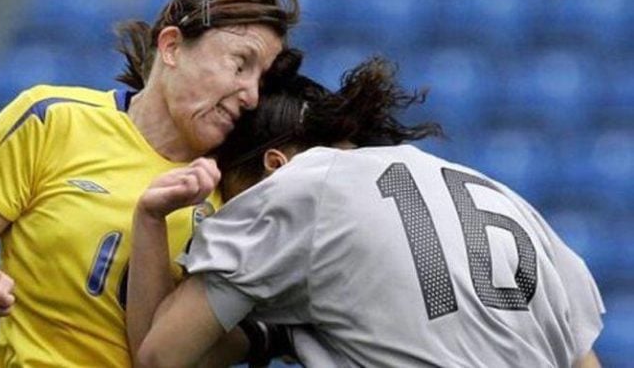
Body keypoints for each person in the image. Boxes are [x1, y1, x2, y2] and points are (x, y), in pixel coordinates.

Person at [0, 0, 300, 367]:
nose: (251, 95)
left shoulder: (234, 183)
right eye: (240, 64)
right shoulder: (51, 119)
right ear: (171, 46)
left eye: (262, 79)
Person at [127, 56, 605, 367]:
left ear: (274, 165)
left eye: (228, 196)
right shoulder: (504, 198)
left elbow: (158, 358)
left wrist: (150, 220)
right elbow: (584, 359)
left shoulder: (298, 185)